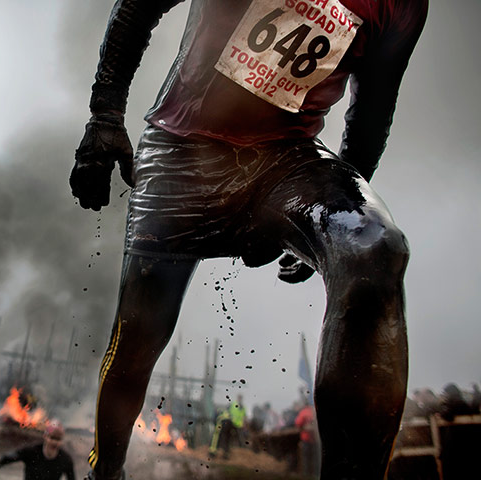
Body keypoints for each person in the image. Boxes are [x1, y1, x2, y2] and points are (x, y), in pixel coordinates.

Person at [69, 1, 428, 479]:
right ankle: (105, 472)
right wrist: (105, 116)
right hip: (183, 152)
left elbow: (375, 104)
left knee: (375, 249)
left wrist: (333, 229)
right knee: (136, 340)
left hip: (287, 164)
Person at [0, 420, 75, 480]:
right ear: (45, 436)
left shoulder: (65, 459)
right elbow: (6, 457)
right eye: (52, 438)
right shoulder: (32, 451)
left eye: (58, 439)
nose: (55, 442)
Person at [209, 394, 246, 459]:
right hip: (228, 422)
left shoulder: (242, 408)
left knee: (221, 437)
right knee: (222, 437)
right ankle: (219, 453)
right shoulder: (233, 405)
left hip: (229, 423)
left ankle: (219, 453)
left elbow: (242, 418)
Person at [295, 400, 320, 477]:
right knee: (315, 459)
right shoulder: (316, 411)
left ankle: (307, 475)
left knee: (306, 459)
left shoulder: (304, 412)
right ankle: (315, 474)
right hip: (316, 440)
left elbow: (298, 423)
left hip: (306, 439)